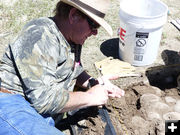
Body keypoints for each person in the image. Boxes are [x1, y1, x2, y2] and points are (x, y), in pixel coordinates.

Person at [0, 0, 125, 134]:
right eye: (93, 25)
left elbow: (73, 70)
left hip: (38, 114)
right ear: (73, 16)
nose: (94, 33)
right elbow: (43, 100)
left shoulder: (71, 38)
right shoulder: (39, 35)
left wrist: (93, 82)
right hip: (10, 104)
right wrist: (90, 96)